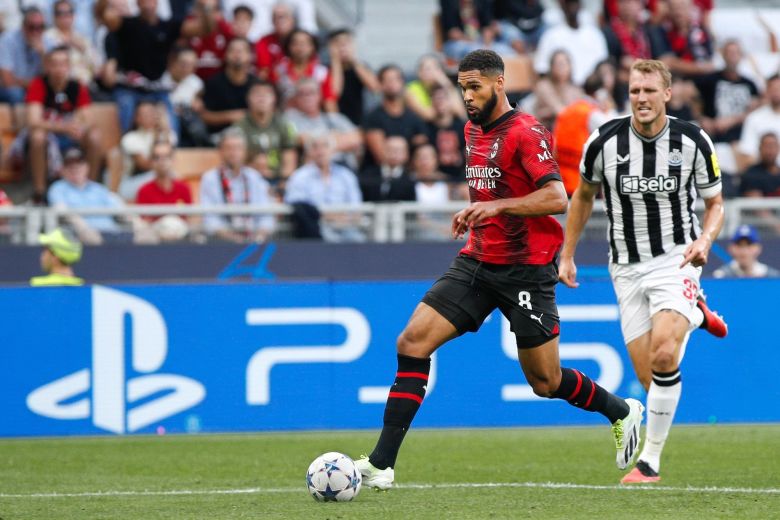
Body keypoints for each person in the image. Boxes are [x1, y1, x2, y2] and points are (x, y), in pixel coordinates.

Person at [355, 50, 644, 490]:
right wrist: (478, 213)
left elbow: (555, 199)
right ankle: (381, 464)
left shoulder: (526, 132)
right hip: (477, 261)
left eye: (475, 87)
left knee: (546, 382)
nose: (467, 96)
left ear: (499, 84)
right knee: (412, 342)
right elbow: (492, 193)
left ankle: (620, 410)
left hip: (526, 271)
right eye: (462, 87)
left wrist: (495, 206)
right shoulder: (472, 129)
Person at [559, 59, 728, 485]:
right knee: (649, 378)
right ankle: (695, 313)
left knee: (664, 354)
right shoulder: (603, 142)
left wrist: (705, 241)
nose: (641, 98)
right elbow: (582, 197)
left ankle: (649, 463)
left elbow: (716, 204)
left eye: (650, 91)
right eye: (635, 90)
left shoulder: (692, 140)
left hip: (676, 258)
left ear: (667, 94)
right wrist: (567, 254)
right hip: (626, 268)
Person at [95, 0, 218, 134]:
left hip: (157, 88)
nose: (148, 4)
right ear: (137, 4)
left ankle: (169, 149)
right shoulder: (126, 24)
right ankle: (126, 145)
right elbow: (103, 16)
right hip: (129, 88)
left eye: (152, 1)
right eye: (144, 1)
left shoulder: (169, 26)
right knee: (126, 117)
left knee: (171, 129)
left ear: (157, 3)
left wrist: (205, 7)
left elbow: (205, 29)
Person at [16, 45, 101, 204]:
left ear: (68, 66)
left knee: (94, 136)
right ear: (47, 66)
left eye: (63, 64)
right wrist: (63, 127)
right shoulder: (38, 84)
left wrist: (78, 127)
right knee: (38, 136)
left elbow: (88, 119)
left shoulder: (77, 87)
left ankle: (90, 186)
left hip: (69, 137)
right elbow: (33, 121)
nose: (59, 68)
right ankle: (39, 192)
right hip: (47, 138)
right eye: (54, 64)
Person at [284, 132, 364, 242]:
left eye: (325, 146)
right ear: (309, 152)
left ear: (333, 150)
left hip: (347, 227)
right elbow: (297, 204)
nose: (320, 151)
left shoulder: (346, 175)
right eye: (315, 147)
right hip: (315, 230)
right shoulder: (300, 176)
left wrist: (343, 219)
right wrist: (328, 216)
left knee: (358, 240)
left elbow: (356, 207)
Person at [199, 128, 275, 242]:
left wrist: (259, 237)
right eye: (229, 148)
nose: (234, 153)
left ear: (245, 152)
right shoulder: (210, 179)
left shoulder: (254, 177)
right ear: (220, 151)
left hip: (255, 242)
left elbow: (266, 216)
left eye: (238, 148)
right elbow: (210, 220)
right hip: (220, 243)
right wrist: (233, 240)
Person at [553, 71, 613, 196]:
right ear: (600, 93)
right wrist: (608, 108)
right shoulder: (593, 114)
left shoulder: (567, 110)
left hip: (560, 180)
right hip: (583, 183)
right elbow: (614, 131)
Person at [362, 64, 429, 169]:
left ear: (402, 83)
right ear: (380, 85)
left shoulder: (414, 118)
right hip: (378, 176)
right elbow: (381, 156)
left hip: (409, 174)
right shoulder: (373, 117)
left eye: (395, 79)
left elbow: (422, 148)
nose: (392, 83)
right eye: (387, 80)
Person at [233, 81, 298, 188]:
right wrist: (254, 167)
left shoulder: (284, 124)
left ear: (274, 99)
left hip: (279, 180)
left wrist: (283, 183)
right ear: (248, 99)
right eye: (257, 94)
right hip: (248, 181)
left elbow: (290, 159)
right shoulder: (239, 127)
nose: (261, 98)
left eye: (266, 94)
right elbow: (235, 161)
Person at [533, 0, 608, 86]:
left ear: (580, 5)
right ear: (562, 6)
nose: (572, 7)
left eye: (575, 3)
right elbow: (542, 70)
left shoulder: (594, 34)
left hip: (592, 89)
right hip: (563, 90)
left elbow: (604, 66)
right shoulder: (551, 35)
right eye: (568, 4)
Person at [200, 37, 260, 135]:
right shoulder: (214, 83)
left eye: (241, 51)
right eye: (233, 50)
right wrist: (231, 116)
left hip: (251, 135)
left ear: (251, 56)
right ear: (225, 55)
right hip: (218, 136)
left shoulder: (257, 84)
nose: (237, 54)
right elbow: (204, 116)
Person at [713, 225, 780, 279]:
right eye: (739, 245)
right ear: (731, 248)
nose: (744, 251)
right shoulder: (721, 276)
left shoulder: (771, 277)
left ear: (758, 248)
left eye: (749, 245)